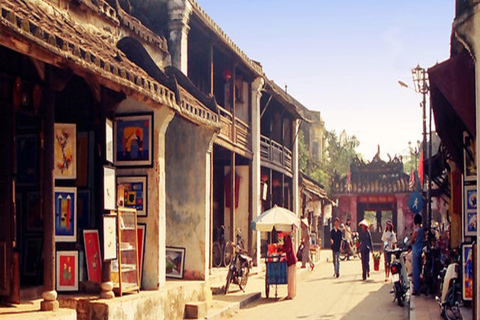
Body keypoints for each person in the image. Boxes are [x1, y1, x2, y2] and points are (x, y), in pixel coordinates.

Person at [410, 214, 424, 295]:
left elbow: (412, 241)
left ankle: (416, 289)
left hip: (415, 251)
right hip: (420, 250)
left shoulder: (416, 231)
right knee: (419, 270)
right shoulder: (421, 231)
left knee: (415, 270)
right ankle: (418, 287)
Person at [282, 227, 297, 299]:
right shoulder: (287, 239)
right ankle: (291, 293)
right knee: (292, 277)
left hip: (291, 259)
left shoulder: (288, 239)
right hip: (291, 260)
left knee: (291, 277)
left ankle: (290, 294)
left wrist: (281, 249)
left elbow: (287, 249)